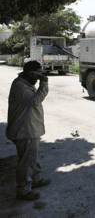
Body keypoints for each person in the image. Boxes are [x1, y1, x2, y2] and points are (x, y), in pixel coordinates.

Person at [6, 61, 51, 201]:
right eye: (38, 74)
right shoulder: (20, 86)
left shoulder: (24, 83)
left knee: (32, 157)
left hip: (29, 129)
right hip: (24, 130)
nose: (39, 78)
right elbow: (34, 101)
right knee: (26, 161)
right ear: (31, 73)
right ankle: (23, 190)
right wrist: (44, 84)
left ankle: (36, 179)